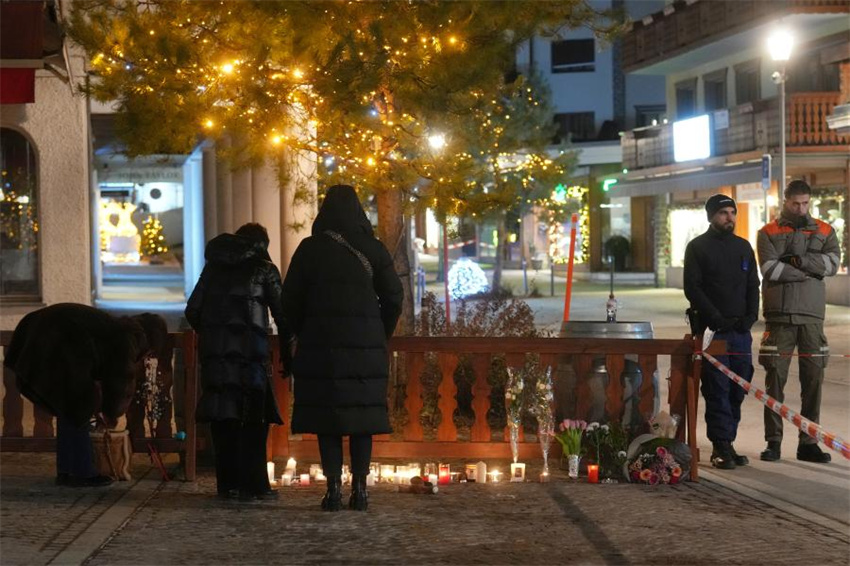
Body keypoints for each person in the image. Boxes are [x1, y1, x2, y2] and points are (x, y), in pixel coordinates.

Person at [282, 184, 403, 512]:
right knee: (362, 418)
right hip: (366, 347)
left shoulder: (310, 249)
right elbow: (394, 296)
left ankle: (333, 490)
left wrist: (303, 329)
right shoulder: (374, 249)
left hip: (321, 348)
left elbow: (288, 300)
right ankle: (360, 490)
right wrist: (380, 332)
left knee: (328, 419)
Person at [185, 223, 292, 500]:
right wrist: (288, 357)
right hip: (251, 361)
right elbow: (283, 316)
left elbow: (192, 310)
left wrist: (214, 337)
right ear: (261, 245)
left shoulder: (213, 268)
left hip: (216, 362)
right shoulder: (264, 269)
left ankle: (227, 486)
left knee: (224, 421)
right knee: (254, 422)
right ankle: (255, 486)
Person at [4, 303, 147, 487]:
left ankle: (67, 471)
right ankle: (82, 471)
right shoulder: (125, 340)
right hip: (53, 345)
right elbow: (119, 381)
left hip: (39, 337)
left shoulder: (112, 328)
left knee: (68, 407)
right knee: (79, 404)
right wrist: (111, 412)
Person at [756, 180, 840, 463]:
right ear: (785, 201)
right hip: (779, 317)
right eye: (795, 203)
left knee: (813, 380)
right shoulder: (767, 232)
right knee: (774, 381)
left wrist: (799, 262)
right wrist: (808, 272)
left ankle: (808, 443)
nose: (801, 208)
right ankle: (773, 442)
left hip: (813, 317)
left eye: (805, 203)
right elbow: (769, 268)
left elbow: (831, 264)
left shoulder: (826, 230)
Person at [684, 195, 760, 470]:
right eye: (723, 213)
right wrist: (715, 318)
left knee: (738, 389)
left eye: (732, 212)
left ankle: (729, 441)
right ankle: (719, 446)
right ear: (710, 217)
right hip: (713, 333)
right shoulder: (697, 248)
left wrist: (751, 317)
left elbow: (753, 285)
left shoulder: (743, 247)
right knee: (717, 387)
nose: (729, 217)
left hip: (741, 332)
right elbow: (693, 288)